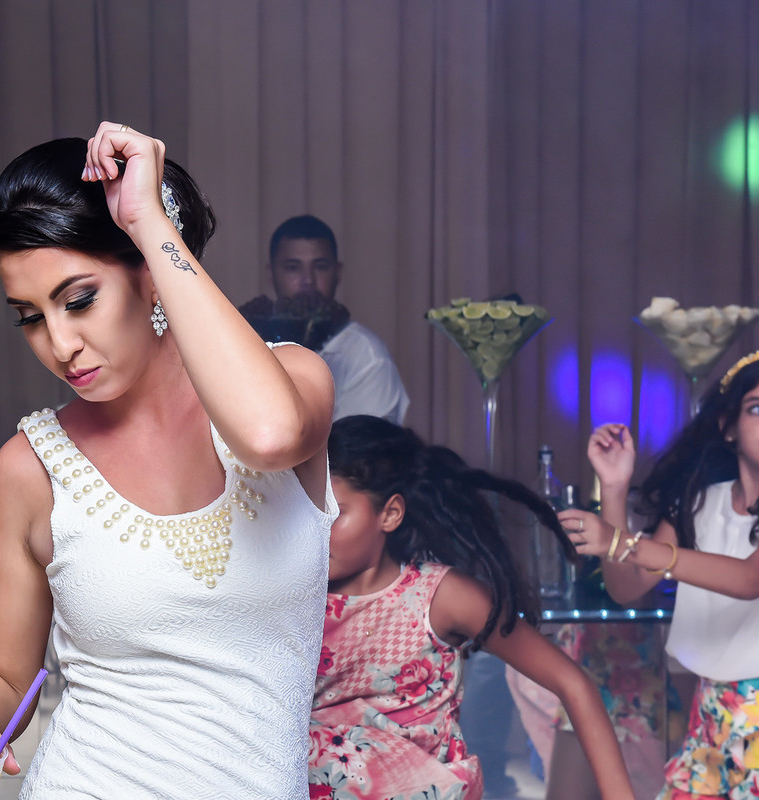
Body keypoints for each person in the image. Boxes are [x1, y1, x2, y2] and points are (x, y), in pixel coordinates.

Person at [0, 123, 337, 800]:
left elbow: (268, 435)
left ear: (151, 272)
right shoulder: (30, 468)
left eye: (79, 300)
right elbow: (3, 674)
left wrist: (148, 221)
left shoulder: (294, 381)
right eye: (29, 316)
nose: (59, 344)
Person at [310, 414, 634, 800]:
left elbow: (573, 683)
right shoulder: (292, 597)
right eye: (307, 510)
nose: (315, 528)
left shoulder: (440, 596)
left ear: (390, 514)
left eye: (333, 513)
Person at [559, 349, 759, 800]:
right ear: (727, 427)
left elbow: (750, 580)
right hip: (710, 718)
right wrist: (614, 490)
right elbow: (626, 587)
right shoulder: (699, 502)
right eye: (757, 408)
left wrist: (620, 542)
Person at [266, 214, 409, 423]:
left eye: (320, 266)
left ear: (337, 273)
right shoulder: (252, 339)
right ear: (271, 274)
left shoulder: (366, 356)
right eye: (293, 268)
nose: (308, 281)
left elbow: (358, 444)